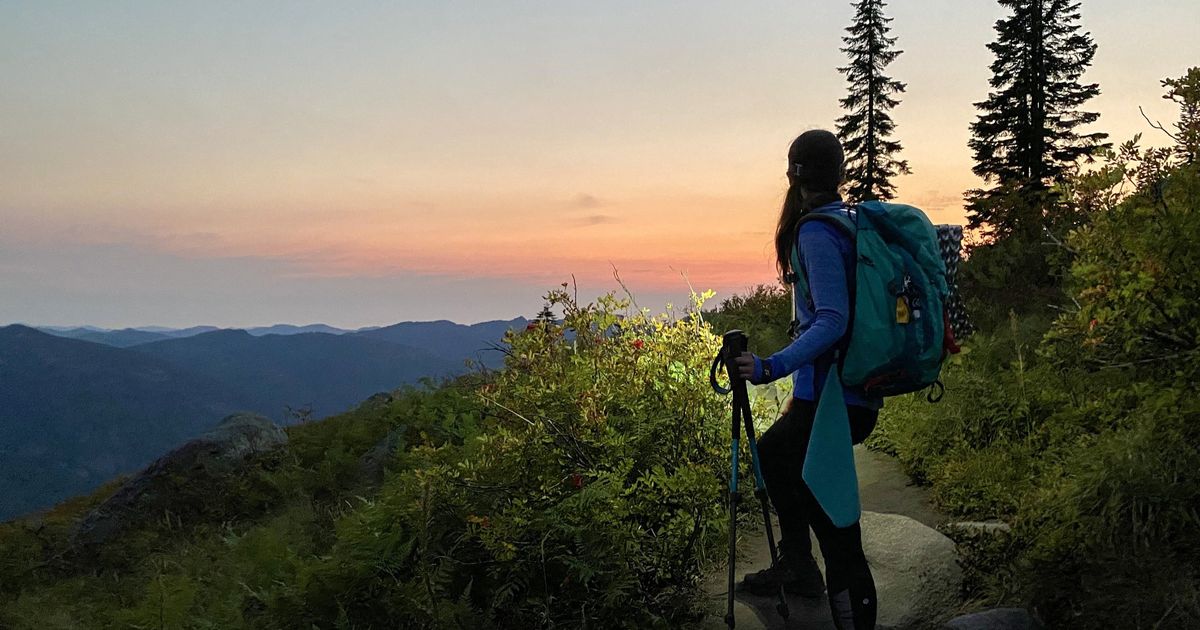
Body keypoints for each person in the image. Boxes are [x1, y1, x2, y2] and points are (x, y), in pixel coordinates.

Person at [733, 129, 880, 630]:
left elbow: (832, 319)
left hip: (831, 402)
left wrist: (772, 366)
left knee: (837, 527)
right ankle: (798, 566)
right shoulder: (848, 222)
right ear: (839, 174)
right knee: (775, 453)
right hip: (850, 395)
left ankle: (830, 594)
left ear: (793, 176)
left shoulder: (816, 232)